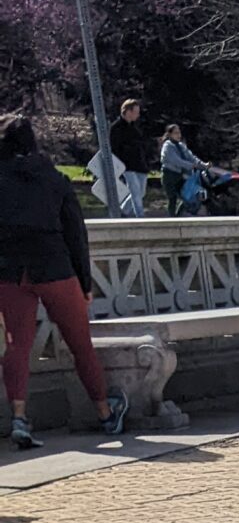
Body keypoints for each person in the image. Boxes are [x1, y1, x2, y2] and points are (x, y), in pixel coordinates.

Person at [0, 115, 126, 448]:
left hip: (11, 271)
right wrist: (85, 282)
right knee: (79, 343)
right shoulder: (54, 180)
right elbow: (76, 234)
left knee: (17, 346)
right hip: (55, 266)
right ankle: (104, 412)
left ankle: (19, 417)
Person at [159, 124, 239, 215]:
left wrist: (203, 165)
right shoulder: (167, 146)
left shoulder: (181, 146)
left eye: (179, 133)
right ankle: (172, 219)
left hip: (180, 176)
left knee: (187, 195)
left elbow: (192, 158)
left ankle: (181, 215)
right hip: (170, 176)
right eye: (176, 133)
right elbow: (175, 160)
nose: (179, 135)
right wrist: (191, 165)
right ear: (169, 135)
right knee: (172, 198)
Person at [108, 97, 153, 214]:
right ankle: (140, 216)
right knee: (135, 192)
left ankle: (123, 212)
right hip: (127, 165)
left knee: (141, 192)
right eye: (135, 112)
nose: (137, 115)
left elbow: (141, 144)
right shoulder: (116, 128)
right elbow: (115, 147)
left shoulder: (134, 128)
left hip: (140, 164)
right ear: (128, 111)